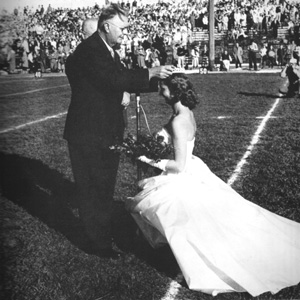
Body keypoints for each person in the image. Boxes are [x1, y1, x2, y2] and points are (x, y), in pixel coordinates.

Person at [126, 73, 300, 297]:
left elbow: (179, 165)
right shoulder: (184, 113)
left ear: (176, 92)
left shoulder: (179, 120)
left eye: (164, 89)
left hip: (182, 173)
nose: (161, 93)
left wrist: (146, 158)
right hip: (190, 169)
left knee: (161, 208)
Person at [64, 3, 174, 259]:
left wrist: (157, 81)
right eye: (122, 29)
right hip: (89, 134)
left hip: (103, 131)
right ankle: (97, 244)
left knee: (103, 188)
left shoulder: (106, 51)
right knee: (93, 190)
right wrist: (151, 72)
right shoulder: (90, 51)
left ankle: (100, 235)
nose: (125, 34)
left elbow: (121, 77)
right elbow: (115, 81)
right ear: (106, 26)